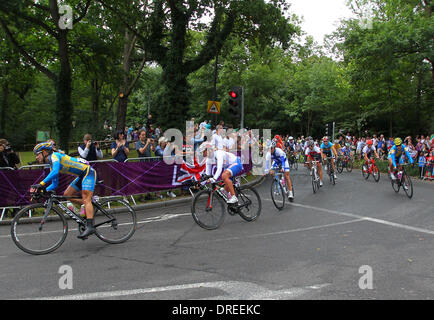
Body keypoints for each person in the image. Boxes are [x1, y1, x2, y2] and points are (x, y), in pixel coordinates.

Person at [30, 141, 97, 239]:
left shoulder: (55, 156)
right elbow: (54, 184)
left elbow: (55, 172)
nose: (36, 157)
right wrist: (43, 190)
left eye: (37, 154)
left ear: (44, 152)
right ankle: (89, 205)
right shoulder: (51, 164)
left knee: (86, 198)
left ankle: (90, 226)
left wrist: (41, 184)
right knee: (67, 195)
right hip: (82, 175)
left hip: (88, 172)